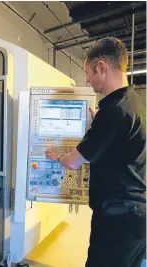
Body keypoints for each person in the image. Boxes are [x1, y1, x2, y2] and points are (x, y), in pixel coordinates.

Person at [46, 37, 146, 267]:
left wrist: (55, 156)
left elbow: (73, 162)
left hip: (116, 222)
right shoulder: (135, 103)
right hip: (137, 219)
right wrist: (97, 125)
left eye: (88, 72)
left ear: (101, 67)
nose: (87, 79)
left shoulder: (112, 112)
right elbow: (118, 146)